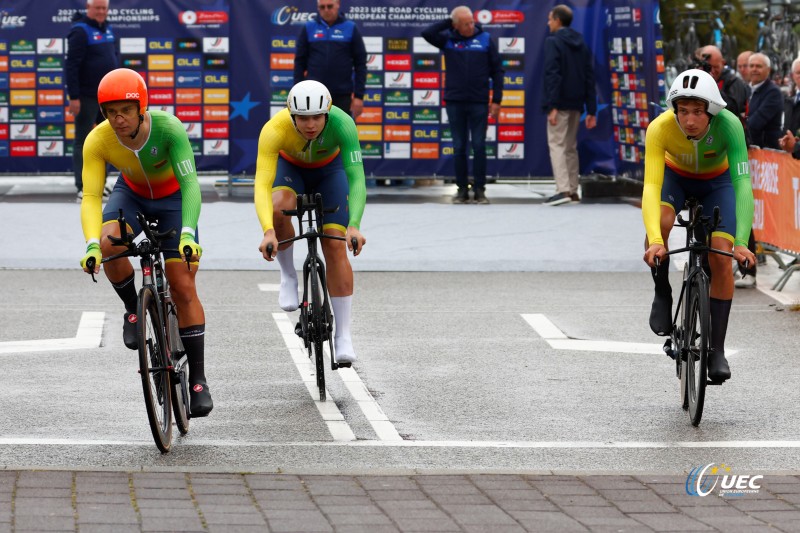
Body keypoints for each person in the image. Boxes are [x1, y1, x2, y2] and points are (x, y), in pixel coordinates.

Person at [79, 68, 213, 416]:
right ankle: (131, 309)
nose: (118, 119)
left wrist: (187, 233)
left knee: (183, 284)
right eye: (110, 112)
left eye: (125, 110)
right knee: (111, 244)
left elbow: (190, 185)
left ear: (141, 108)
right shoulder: (98, 139)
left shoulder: (169, 129)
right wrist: (92, 243)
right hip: (132, 197)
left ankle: (197, 380)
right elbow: (92, 196)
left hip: (173, 200)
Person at [642, 69, 755, 383]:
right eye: (682, 111)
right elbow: (651, 186)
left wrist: (742, 242)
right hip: (675, 179)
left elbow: (743, 183)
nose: (689, 120)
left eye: (697, 112)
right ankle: (662, 290)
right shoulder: (659, 128)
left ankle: (716, 350)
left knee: (720, 255)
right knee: (663, 221)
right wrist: (655, 240)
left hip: (717, 183)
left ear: (712, 111)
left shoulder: (730, 124)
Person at [255, 80, 367, 364]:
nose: (310, 124)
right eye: (303, 118)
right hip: (289, 167)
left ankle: (343, 335)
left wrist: (354, 224)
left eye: (317, 117)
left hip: (330, 171)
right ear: (291, 115)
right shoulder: (274, 129)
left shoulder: (343, 124)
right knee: (281, 208)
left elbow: (356, 178)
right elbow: (262, 183)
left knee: (335, 245)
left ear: (327, 113)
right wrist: (268, 230)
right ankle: (289, 276)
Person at [422, 6, 503, 204]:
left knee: (479, 145)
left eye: (472, 22)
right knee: (459, 147)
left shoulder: (484, 39)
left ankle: (480, 190)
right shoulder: (448, 39)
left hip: (479, 102)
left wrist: (497, 101)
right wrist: (449, 22)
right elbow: (427, 33)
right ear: (456, 25)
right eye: (466, 23)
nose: (471, 26)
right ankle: (461, 190)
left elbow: (498, 71)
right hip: (455, 101)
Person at [540, 4, 597, 206]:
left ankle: (563, 190)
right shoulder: (581, 43)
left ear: (557, 20)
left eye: (550, 19)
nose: (548, 23)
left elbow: (552, 74)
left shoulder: (553, 42)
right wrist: (591, 108)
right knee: (570, 147)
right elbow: (589, 77)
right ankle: (573, 191)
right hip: (577, 103)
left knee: (557, 145)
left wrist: (552, 105)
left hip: (560, 103)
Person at [66, 0, 118, 201]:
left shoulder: (108, 28)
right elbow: (71, 65)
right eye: (97, 8)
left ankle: (101, 184)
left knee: (106, 141)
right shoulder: (80, 30)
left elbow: (113, 57)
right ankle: (82, 187)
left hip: (108, 96)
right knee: (83, 141)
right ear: (89, 8)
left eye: (104, 8)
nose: (101, 12)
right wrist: (74, 97)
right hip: (86, 96)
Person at [740, 53, 783, 287]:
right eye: (750, 66)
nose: (753, 69)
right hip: (752, 158)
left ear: (767, 69)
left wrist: (740, 126)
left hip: (765, 157)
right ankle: (751, 258)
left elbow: (755, 122)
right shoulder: (751, 89)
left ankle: (753, 262)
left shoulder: (772, 92)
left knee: (753, 209)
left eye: (758, 66)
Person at [293, 0, 366, 119]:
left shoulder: (350, 28)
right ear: (318, 8)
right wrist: (297, 93)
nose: (326, 10)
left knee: (341, 134)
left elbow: (360, 64)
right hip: (314, 94)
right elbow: (299, 63)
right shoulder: (309, 27)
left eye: (330, 6)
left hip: (342, 95)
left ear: (338, 5)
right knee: (314, 133)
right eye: (322, 7)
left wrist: (359, 96)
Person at [696, 46, 748, 124]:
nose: (712, 71)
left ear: (723, 63)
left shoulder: (734, 81)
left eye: (716, 67)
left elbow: (733, 110)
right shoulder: (697, 81)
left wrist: (711, 84)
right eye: (708, 67)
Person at [778, 58, 800, 160]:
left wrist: (795, 147)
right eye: (798, 73)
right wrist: (785, 140)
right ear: (792, 76)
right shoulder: (789, 100)